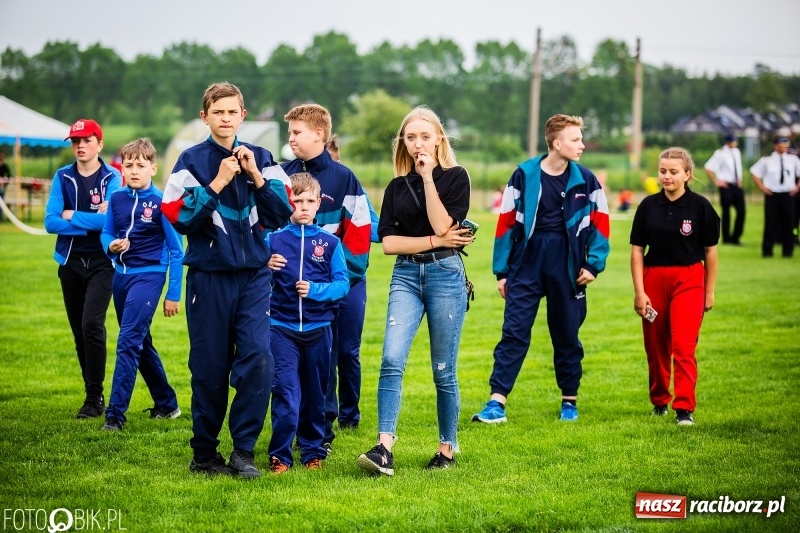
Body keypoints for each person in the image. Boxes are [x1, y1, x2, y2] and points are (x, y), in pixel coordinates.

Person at [163, 82, 294, 478]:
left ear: (243, 114)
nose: (225, 118)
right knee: (209, 368)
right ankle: (204, 454)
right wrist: (218, 182)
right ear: (205, 117)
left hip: (254, 277)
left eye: (232, 111)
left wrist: (254, 173)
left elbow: (282, 212)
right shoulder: (190, 160)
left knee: (258, 359)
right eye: (217, 112)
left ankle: (243, 452)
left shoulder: (264, 158)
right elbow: (179, 218)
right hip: (208, 278)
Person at [356, 106, 474, 476]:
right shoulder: (394, 187)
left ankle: (445, 450)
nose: (418, 143)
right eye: (411, 137)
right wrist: (435, 239)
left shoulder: (456, 178)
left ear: (439, 138)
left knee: (443, 370)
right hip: (405, 276)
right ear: (403, 143)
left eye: (425, 136)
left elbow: (444, 221)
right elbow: (389, 243)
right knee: (391, 359)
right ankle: (383, 448)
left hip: (445, 275)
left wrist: (426, 178)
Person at [471, 114, 610, 424]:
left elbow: (601, 222)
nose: (582, 145)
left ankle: (569, 402)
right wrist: (502, 271)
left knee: (566, 334)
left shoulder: (587, 180)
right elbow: (506, 222)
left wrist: (593, 264)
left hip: (568, 263)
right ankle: (496, 403)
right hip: (527, 262)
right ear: (556, 143)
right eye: (576, 140)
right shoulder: (523, 174)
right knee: (514, 331)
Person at [281, 105, 376, 450]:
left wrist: (339, 283)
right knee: (299, 359)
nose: (290, 138)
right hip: (292, 290)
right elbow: (272, 228)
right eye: (289, 132)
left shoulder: (344, 177)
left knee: (337, 354)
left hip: (341, 286)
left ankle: (326, 427)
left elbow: (360, 231)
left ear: (319, 134)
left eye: (296, 132)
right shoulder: (280, 174)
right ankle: (297, 426)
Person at [265, 173, 350, 474]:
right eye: (297, 200)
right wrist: (266, 265)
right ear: (289, 202)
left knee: (315, 394)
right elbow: (254, 277)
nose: (303, 206)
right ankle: (280, 455)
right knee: (286, 393)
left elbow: (343, 284)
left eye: (309, 201)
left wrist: (315, 291)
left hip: (318, 330)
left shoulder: (329, 243)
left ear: (318, 204)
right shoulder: (273, 240)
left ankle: (313, 451)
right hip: (281, 328)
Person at [630, 147, 719, 426]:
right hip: (654, 278)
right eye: (663, 171)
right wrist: (639, 291)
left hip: (690, 279)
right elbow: (636, 252)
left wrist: (709, 290)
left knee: (683, 347)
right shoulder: (647, 206)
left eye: (673, 172)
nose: (666, 176)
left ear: (687, 175)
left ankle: (684, 409)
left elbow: (711, 253)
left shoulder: (701, 207)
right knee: (656, 347)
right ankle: (659, 401)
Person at [100, 138, 184, 432]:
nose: (134, 170)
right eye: (128, 165)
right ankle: (167, 403)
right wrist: (111, 245)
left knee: (127, 341)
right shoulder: (118, 199)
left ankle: (115, 415)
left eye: (140, 165)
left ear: (153, 167)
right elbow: (107, 232)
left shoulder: (162, 202)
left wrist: (173, 294)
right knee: (139, 340)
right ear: (121, 168)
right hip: (120, 277)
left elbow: (177, 250)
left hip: (150, 276)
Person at [44, 119, 122, 419]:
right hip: (71, 263)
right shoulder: (62, 176)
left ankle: (93, 398)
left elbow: (110, 221)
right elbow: (51, 222)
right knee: (79, 332)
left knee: (92, 325)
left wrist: (72, 215)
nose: (80, 146)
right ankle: (94, 394)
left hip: (103, 264)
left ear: (99, 144)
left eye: (86, 140)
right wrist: (91, 219)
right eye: (75, 141)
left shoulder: (112, 177)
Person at [750, 136, 800, 258]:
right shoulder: (767, 159)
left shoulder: (793, 159)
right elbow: (754, 172)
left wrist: (797, 187)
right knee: (771, 223)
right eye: (781, 145)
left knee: (789, 224)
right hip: (773, 195)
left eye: (785, 146)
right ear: (776, 145)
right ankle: (767, 251)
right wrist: (762, 188)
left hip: (788, 195)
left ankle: (788, 251)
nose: (784, 148)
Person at [704, 133, 745, 245]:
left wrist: (740, 179)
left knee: (741, 211)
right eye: (733, 141)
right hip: (726, 186)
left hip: (736, 185)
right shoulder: (720, 153)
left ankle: (736, 237)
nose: (735, 143)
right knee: (726, 213)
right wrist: (716, 182)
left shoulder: (736, 152)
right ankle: (727, 239)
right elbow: (708, 168)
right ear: (727, 142)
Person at [0, 150, 11, 221]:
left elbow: (9, 176)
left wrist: (4, 184)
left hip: (2, 187)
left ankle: (0, 218)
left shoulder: (5, 165)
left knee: (2, 204)